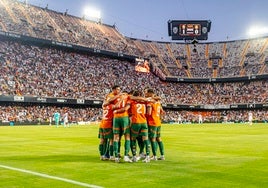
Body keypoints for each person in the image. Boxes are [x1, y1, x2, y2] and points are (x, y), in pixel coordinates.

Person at [126, 90, 151, 163]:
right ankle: (148, 156)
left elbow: (128, 110)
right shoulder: (145, 102)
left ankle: (134, 156)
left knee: (133, 139)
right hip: (144, 122)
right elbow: (148, 113)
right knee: (145, 139)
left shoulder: (131, 101)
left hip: (135, 122)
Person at [145, 88, 165, 161]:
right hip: (158, 122)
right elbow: (162, 111)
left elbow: (149, 113)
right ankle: (162, 155)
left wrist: (144, 116)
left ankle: (154, 156)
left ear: (150, 93)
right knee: (158, 138)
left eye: (146, 93)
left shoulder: (150, 102)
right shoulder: (158, 102)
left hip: (152, 122)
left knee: (152, 138)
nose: (145, 94)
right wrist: (160, 118)